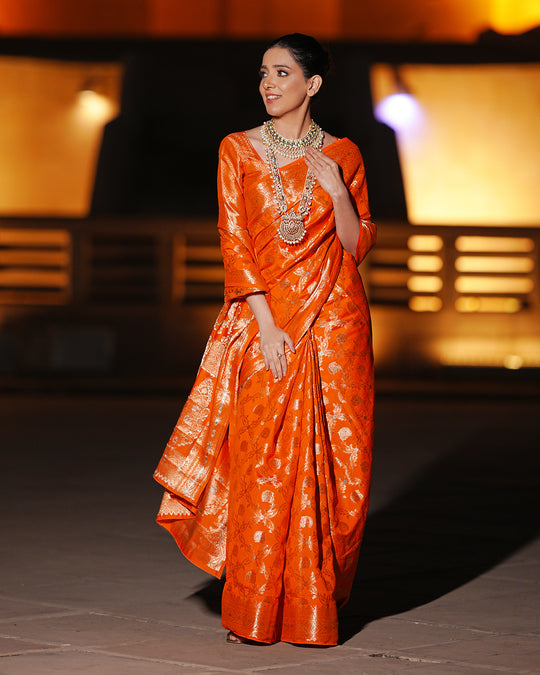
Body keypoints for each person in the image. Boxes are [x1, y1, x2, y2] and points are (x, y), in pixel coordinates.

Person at [154, 33, 376, 646]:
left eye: (282, 73)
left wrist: (337, 194)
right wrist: (266, 323)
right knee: (259, 460)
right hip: (267, 319)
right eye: (262, 74)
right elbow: (235, 239)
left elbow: (356, 249)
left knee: (338, 465)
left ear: (314, 84)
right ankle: (254, 611)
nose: (268, 84)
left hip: (336, 321)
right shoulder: (238, 150)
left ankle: (311, 608)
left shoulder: (345, 155)